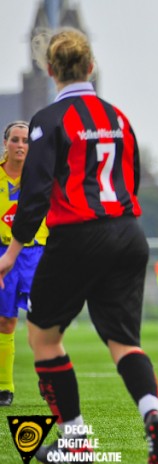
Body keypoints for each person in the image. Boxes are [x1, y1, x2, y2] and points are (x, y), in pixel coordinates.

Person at [0, 28, 158, 464]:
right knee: (123, 342)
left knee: (43, 336)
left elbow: (35, 195)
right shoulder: (118, 117)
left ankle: (75, 438)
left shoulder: (48, 120)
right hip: (128, 233)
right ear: (91, 67)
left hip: (78, 235)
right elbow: (129, 180)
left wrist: (12, 252)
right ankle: (152, 411)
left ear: (50, 69)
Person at [0, 121, 49, 407]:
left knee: (43, 321)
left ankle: (49, 378)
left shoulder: (42, 177)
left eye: (26, 140)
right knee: (5, 321)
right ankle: (5, 387)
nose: (20, 145)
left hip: (36, 255)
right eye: (15, 140)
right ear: (5, 143)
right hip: (3, 255)